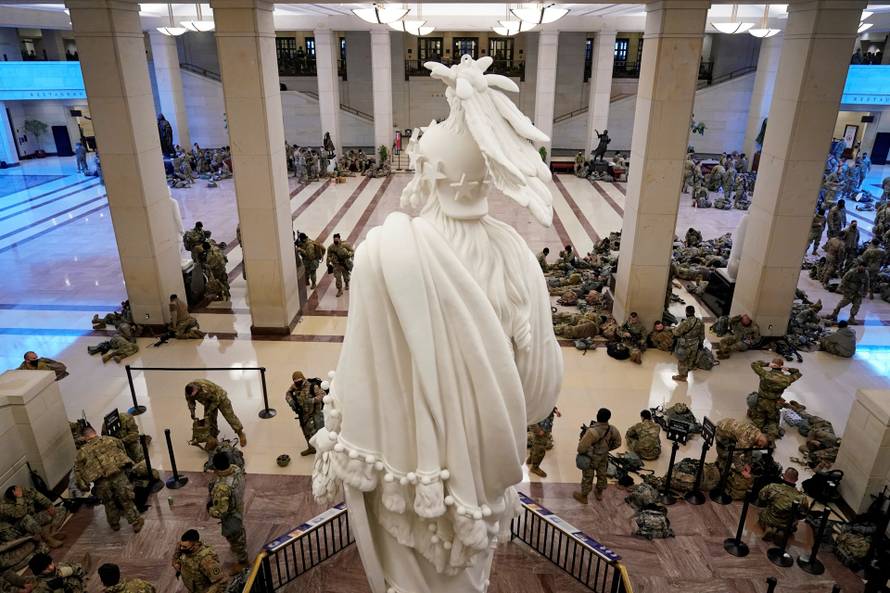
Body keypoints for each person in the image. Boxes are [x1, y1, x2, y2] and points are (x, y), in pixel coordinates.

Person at [74, 427, 144, 532]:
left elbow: (78, 470)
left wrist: (84, 486)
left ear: (85, 437)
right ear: (95, 432)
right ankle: (136, 522)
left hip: (101, 482)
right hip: (118, 475)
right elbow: (122, 450)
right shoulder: (110, 439)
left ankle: (114, 524)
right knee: (126, 499)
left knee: (108, 502)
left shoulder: (82, 452)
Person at [208, 452, 247, 568]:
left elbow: (221, 512)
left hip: (231, 515)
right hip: (238, 505)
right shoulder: (236, 469)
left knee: (235, 537)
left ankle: (242, 562)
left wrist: (210, 510)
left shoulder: (222, 487)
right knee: (238, 530)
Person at [574, 408, 621, 503]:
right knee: (602, 475)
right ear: (608, 418)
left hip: (591, 458)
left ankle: (584, 496)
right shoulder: (612, 429)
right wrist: (606, 449)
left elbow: (581, 448)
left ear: (597, 416)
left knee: (588, 477)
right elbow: (618, 443)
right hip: (603, 457)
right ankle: (599, 493)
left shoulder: (592, 432)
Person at [748, 358, 801, 440]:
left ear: (772, 365)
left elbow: (754, 364)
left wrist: (767, 364)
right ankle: (771, 438)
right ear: (781, 366)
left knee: (758, 419)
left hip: (761, 402)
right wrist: (788, 369)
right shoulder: (786, 379)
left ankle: (754, 436)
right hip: (774, 404)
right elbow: (798, 373)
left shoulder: (764, 374)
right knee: (772, 421)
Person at [184, 380, 247, 446]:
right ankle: (213, 439)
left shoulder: (206, 387)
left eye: (196, 394)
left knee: (229, 416)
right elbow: (190, 401)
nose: (195, 395)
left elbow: (216, 400)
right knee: (209, 420)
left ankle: (241, 434)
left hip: (220, 398)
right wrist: (192, 411)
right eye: (194, 395)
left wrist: (209, 410)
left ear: (196, 388)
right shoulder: (188, 391)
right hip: (208, 402)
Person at [0, 486, 65, 549]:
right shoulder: (4, 506)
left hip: (33, 520)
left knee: (60, 509)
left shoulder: (23, 491)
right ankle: (48, 539)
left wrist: (49, 505)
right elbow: (20, 513)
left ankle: (53, 532)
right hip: (21, 528)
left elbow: (36, 495)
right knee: (26, 517)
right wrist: (19, 498)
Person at [756, 468, 809, 542]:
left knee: (761, 513)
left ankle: (768, 527)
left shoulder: (772, 487)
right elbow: (802, 515)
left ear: (783, 476)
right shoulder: (801, 497)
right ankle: (782, 532)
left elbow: (761, 497)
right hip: (787, 524)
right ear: (796, 479)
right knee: (794, 524)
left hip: (770, 518)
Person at [284, 372, 325, 456]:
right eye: (295, 381)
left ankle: (321, 450)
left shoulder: (312, 386)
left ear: (303, 378)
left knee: (316, 432)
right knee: (306, 432)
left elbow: (322, 395)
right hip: (303, 414)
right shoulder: (294, 386)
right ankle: (311, 448)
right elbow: (288, 394)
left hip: (313, 414)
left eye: (299, 380)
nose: (297, 382)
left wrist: (311, 401)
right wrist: (291, 401)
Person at [672, 306, 704, 382]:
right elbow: (702, 334)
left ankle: (682, 376)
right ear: (694, 312)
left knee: (682, 360)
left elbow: (676, 333)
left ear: (686, 312)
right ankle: (688, 369)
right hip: (695, 344)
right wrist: (701, 343)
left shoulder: (685, 322)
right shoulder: (699, 321)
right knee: (691, 359)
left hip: (685, 345)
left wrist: (674, 328)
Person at [526, 407, 559, 478]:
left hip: (545, 428)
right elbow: (531, 418)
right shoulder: (536, 401)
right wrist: (538, 431)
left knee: (535, 445)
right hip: (540, 430)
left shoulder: (544, 398)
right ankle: (535, 468)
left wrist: (555, 410)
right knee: (540, 450)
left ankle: (531, 459)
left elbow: (548, 404)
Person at [326, 233, 354, 297]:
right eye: (334, 239)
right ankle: (340, 290)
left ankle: (346, 283)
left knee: (346, 275)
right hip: (336, 265)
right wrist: (328, 263)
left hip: (344, 263)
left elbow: (352, 251)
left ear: (339, 238)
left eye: (337, 239)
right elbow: (328, 255)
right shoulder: (331, 247)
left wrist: (348, 254)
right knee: (337, 277)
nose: (335, 241)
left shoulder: (345, 245)